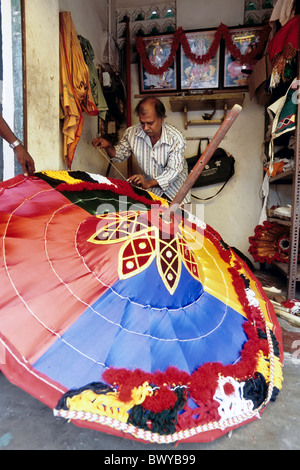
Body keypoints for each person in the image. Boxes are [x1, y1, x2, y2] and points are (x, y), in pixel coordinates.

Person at [92, 97, 190, 203]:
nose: (145, 128)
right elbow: (119, 155)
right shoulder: (132, 133)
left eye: (150, 123)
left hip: (177, 192)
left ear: (161, 119)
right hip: (153, 193)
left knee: (180, 219)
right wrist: (108, 146)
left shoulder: (175, 138)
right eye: (142, 123)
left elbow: (173, 172)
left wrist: (148, 183)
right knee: (152, 219)